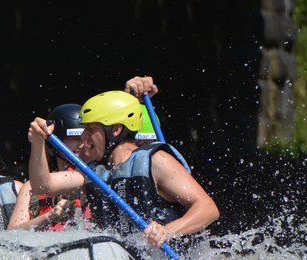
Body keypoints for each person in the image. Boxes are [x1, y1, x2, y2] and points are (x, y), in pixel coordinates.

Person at [28, 89, 219, 249]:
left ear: (116, 130)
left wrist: (167, 230)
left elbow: (208, 208)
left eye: (90, 129)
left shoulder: (156, 161)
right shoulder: (94, 172)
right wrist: (37, 143)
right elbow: (43, 186)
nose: (83, 137)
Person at [8, 104, 89, 231]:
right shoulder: (30, 188)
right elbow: (12, 233)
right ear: (55, 144)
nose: (82, 144)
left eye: (85, 139)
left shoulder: (91, 179)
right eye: (75, 138)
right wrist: (49, 217)